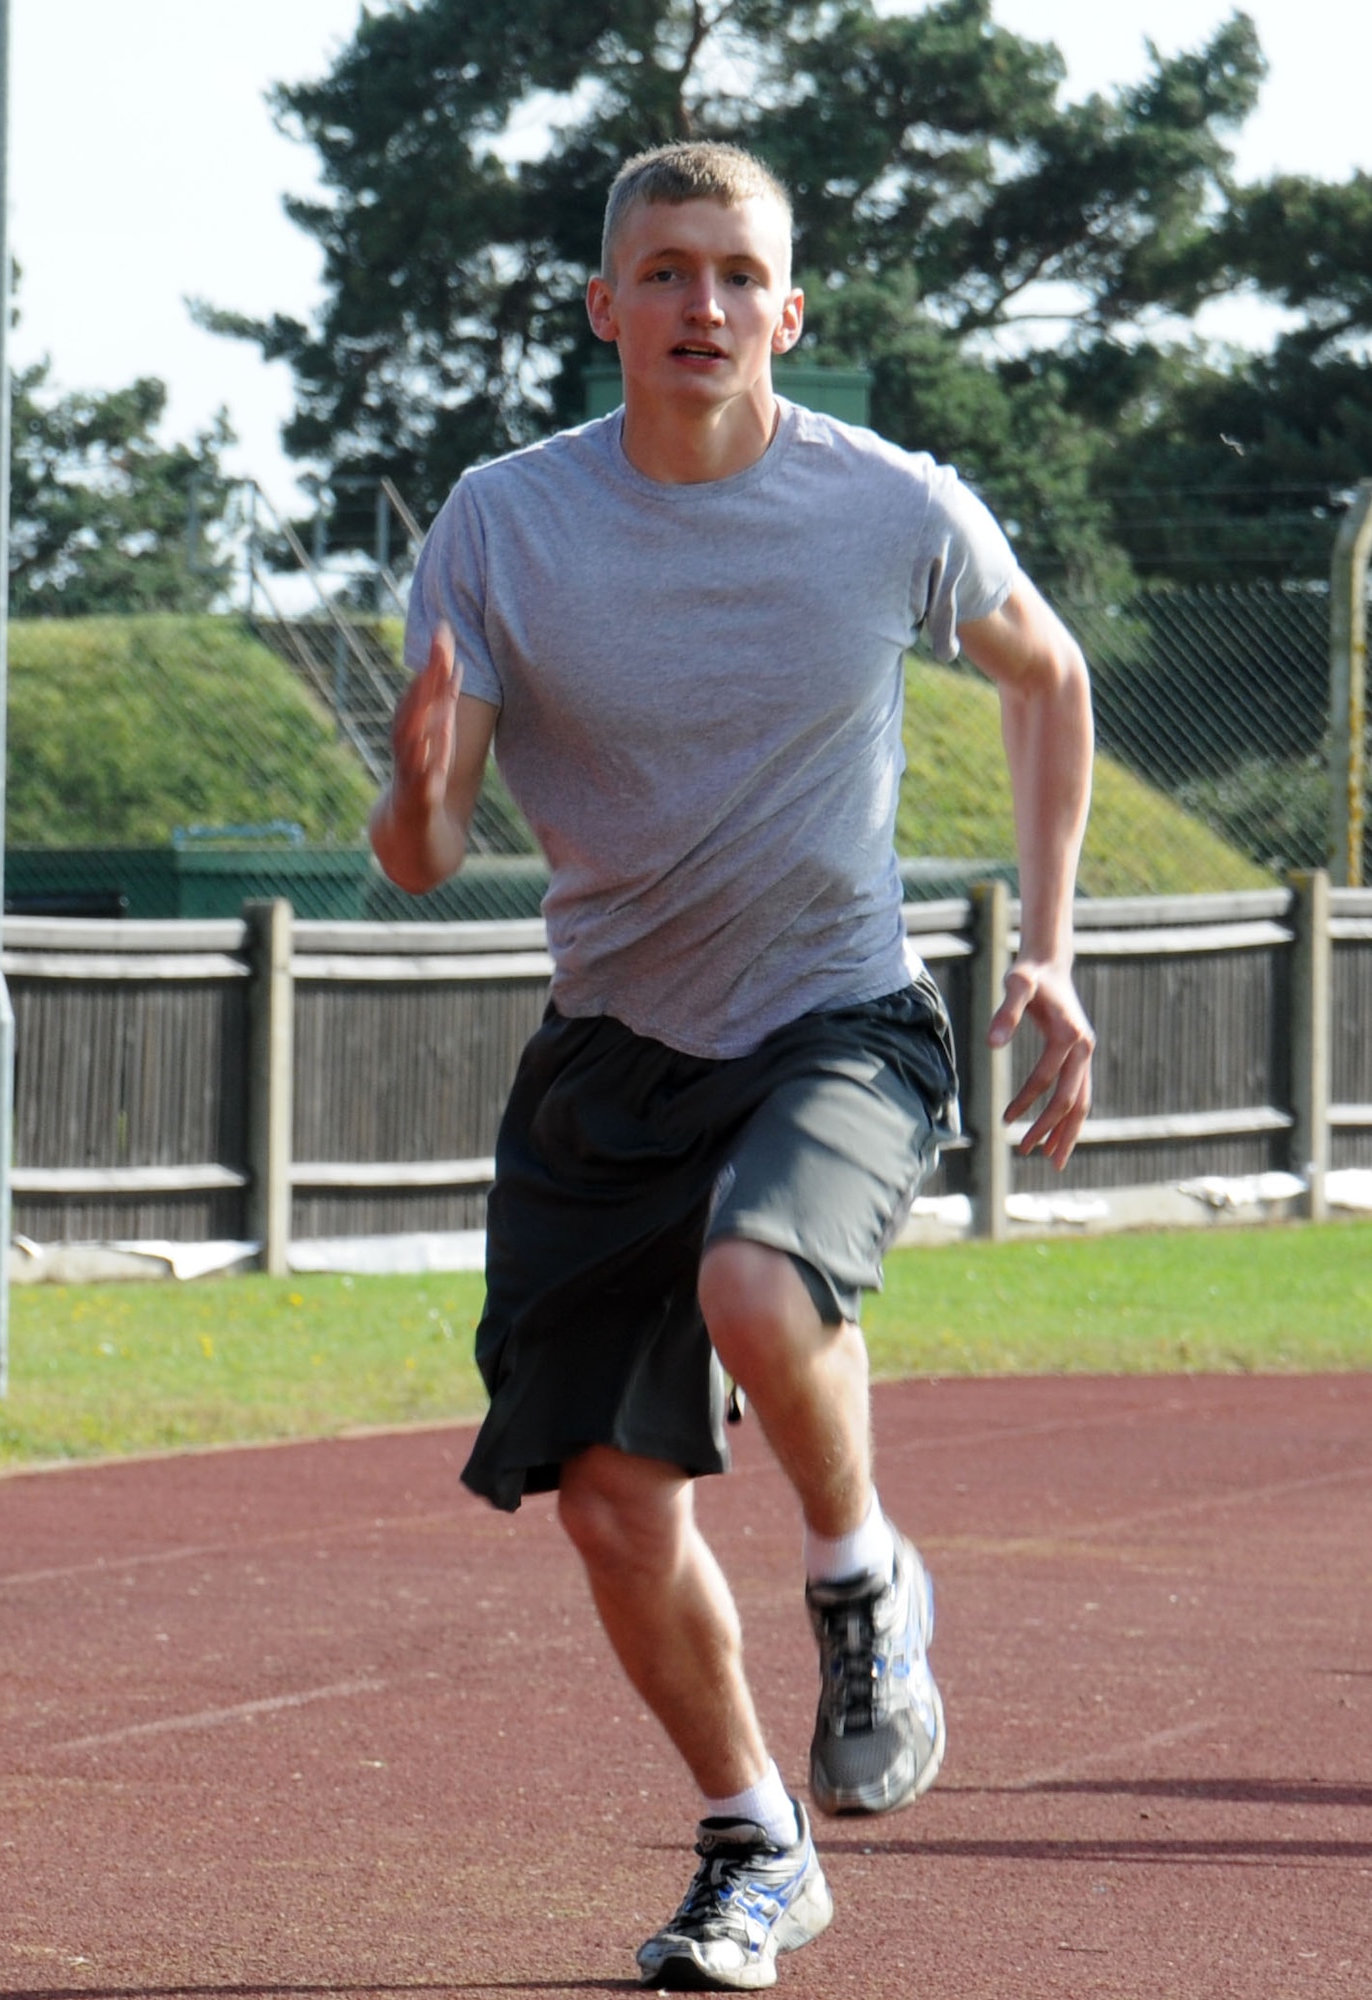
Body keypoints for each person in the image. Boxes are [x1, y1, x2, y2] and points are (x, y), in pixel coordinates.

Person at [370, 142, 1094, 1991]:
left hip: (835, 1019)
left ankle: (862, 1580)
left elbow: (1051, 678)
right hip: (611, 1050)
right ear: (604, 306)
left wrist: (1056, 947)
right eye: (665, 273)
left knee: (759, 1280)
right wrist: (421, 775)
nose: (702, 305)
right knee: (614, 1504)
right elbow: (428, 858)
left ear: (792, 308)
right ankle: (757, 1847)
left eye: (736, 274)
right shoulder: (502, 526)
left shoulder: (887, 508)